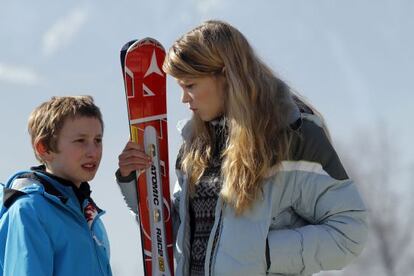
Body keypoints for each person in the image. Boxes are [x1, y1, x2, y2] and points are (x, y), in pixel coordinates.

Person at [116, 20, 367, 276]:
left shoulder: (292, 138)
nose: (183, 99)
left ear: (226, 75)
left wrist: (265, 254)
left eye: (190, 86)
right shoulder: (195, 145)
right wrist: (140, 183)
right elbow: (178, 235)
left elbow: (349, 231)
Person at [0, 96, 112, 276]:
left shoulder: (89, 216)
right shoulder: (29, 211)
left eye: (98, 140)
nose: (93, 152)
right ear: (44, 148)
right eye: (80, 140)